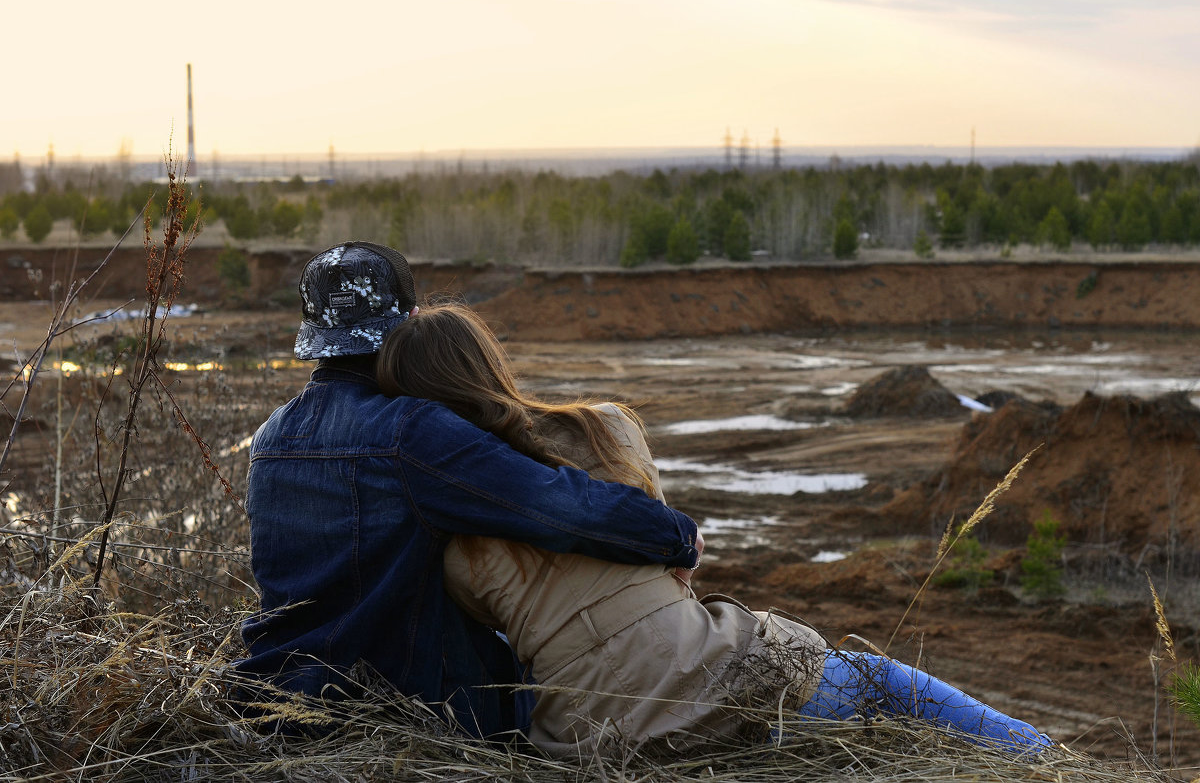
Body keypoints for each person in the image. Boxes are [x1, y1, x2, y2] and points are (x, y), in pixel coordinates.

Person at [375, 303, 1054, 757]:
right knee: (882, 681)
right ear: (490, 364)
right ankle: (1050, 760)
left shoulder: (447, 532)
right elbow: (679, 568)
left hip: (589, 735)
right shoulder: (605, 427)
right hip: (711, 683)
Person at [237, 241, 701, 738]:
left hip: (275, 690)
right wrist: (676, 536)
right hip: (393, 703)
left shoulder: (270, 436)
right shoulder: (409, 431)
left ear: (314, 332)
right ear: (410, 319)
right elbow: (559, 505)